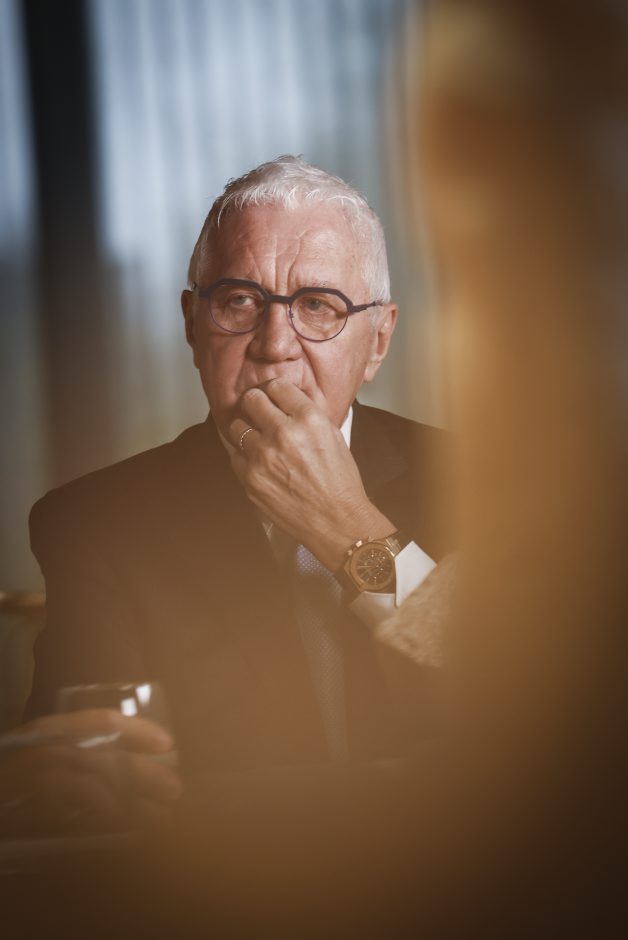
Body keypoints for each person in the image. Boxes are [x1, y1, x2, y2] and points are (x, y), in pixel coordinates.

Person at [20, 156, 451, 830]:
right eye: (239, 302)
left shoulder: (473, 479)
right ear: (193, 325)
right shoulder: (94, 523)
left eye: (318, 305)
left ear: (378, 341)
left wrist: (349, 528)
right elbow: (89, 790)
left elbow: (525, 707)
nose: (274, 345)